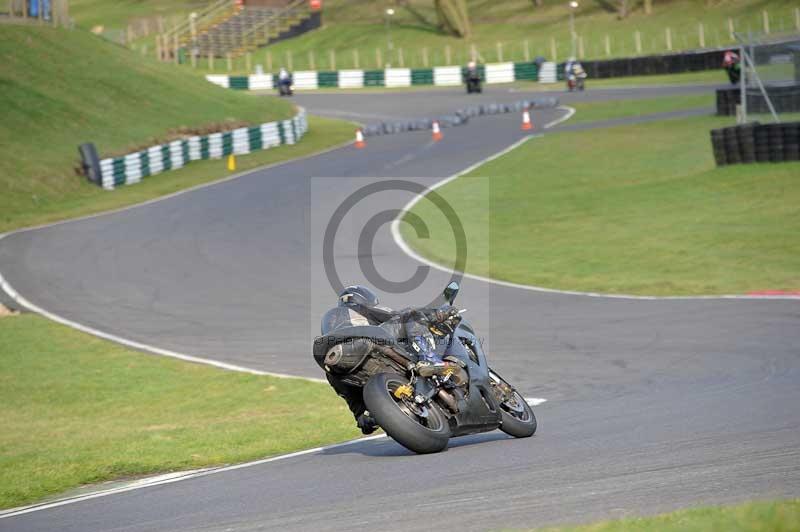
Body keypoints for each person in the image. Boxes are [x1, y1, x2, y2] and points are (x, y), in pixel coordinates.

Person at [322, 285, 460, 434]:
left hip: (336, 364)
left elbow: (352, 400)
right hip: (369, 344)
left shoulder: (334, 321)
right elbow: (395, 315)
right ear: (366, 298)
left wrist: (364, 418)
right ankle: (428, 358)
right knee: (410, 315)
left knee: (358, 409)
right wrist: (435, 314)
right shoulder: (362, 309)